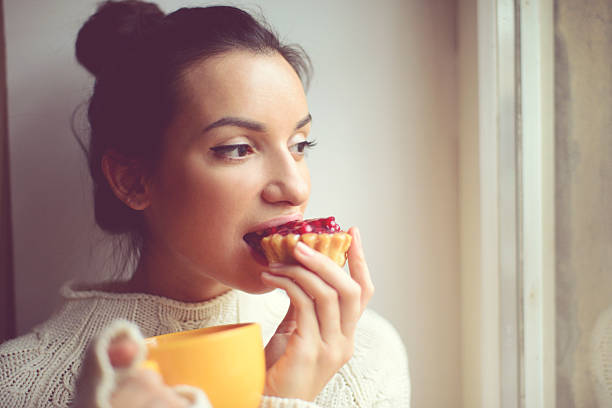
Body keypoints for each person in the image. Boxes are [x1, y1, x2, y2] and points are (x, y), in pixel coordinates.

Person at [0, 1, 411, 407]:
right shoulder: (19, 388)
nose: (295, 188)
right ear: (133, 180)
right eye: (237, 149)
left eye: (300, 145)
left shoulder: (367, 358)